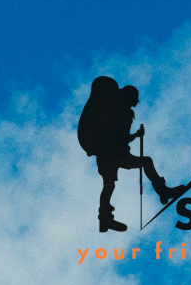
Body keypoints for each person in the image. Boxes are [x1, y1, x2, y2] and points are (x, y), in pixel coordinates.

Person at [76, 76, 177, 233]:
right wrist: (136, 136)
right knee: (145, 162)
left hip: (105, 155)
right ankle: (162, 191)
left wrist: (133, 136)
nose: (136, 103)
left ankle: (105, 220)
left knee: (108, 186)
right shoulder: (123, 113)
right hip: (115, 155)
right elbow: (121, 138)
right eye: (135, 100)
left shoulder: (112, 110)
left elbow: (116, 137)